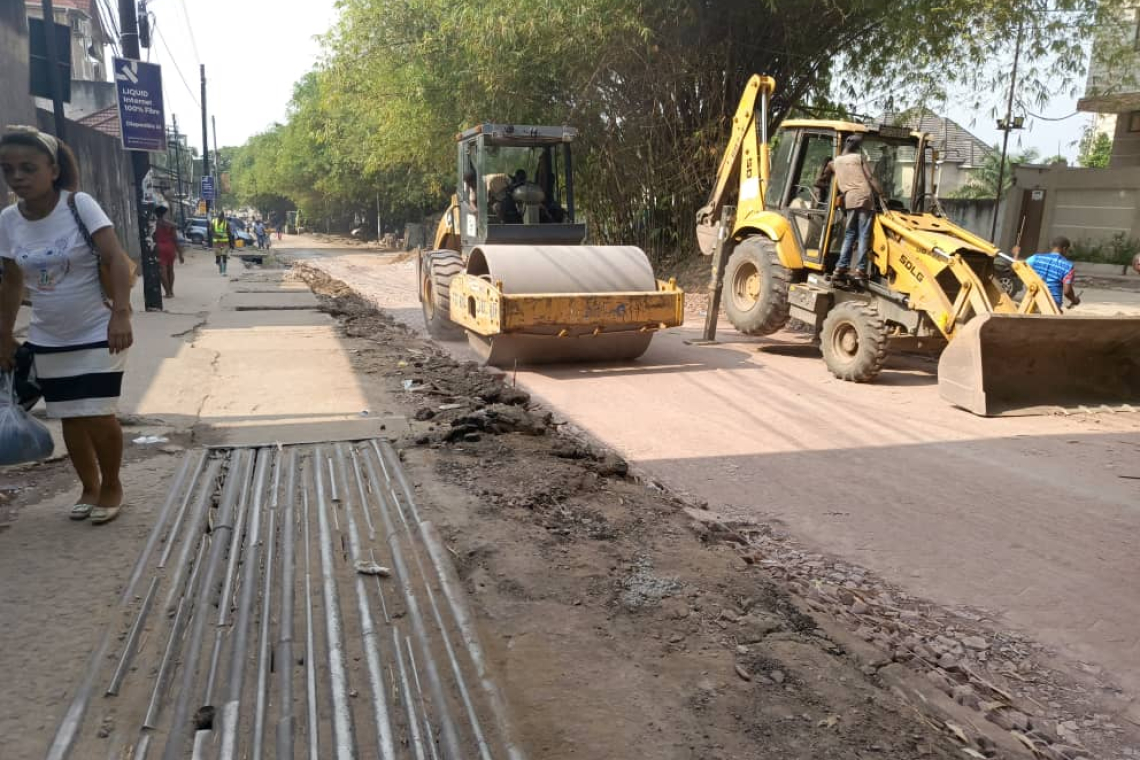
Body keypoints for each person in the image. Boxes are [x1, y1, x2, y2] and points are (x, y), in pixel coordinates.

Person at [0, 125, 134, 524]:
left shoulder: (79, 204)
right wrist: (4, 334)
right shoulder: (7, 219)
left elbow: (114, 259)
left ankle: (112, 485)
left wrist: (121, 314)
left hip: (98, 328)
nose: (18, 177)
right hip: (47, 334)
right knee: (70, 416)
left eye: (28, 167)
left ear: (53, 169)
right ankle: (88, 488)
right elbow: (10, 280)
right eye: (8, 169)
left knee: (97, 411)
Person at [832, 134, 883, 282]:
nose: (858, 147)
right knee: (863, 235)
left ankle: (841, 265)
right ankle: (861, 269)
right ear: (850, 143)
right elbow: (871, 178)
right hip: (865, 197)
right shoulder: (858, 158)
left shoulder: (836, 162)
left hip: (850, 198)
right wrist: (881, 194)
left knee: (849, 234)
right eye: (857, 144)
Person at [1016, 236, 1080, 311]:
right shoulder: (1068, 266)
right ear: (1064, 248)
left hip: (1033, 300)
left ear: (1052, 246)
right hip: (1052, 304)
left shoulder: (1035, 258)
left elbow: (1019, 268)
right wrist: (1074, 300)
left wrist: (1016, 255)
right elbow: (1067, 291)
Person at [154, 206, 184, 298]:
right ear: (164, 214)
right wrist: (180, 254)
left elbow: (152, 238)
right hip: (170, 248)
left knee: (162, 270)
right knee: (170, 269)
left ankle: (167, 292)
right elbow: (175, 239)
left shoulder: (154, 225)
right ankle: (171, 290)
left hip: (159, 248)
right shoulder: (171, 225)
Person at [212, 210, 232, 275]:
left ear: (223, 217)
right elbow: (211, 231)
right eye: (219, 217)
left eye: (221, 217)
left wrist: (231, 243)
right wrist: (215, 234)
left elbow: (229, 233)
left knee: (224, 255)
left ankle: (224, 272)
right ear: (217, 216)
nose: (220, 218)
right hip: (216, 243)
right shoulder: (213, 222)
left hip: (225, 242)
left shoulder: (227, 223)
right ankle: (220, 267)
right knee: (218, 259)